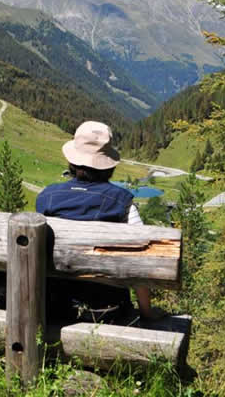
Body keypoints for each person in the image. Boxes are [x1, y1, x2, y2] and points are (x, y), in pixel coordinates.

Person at [35, 120, 163, 322]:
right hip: (107, 310)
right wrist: (147, 313)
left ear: (72, 162)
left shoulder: (46, 197)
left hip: (54, 306)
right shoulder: (123, 202)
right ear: (107, 165)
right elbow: (142, 260)